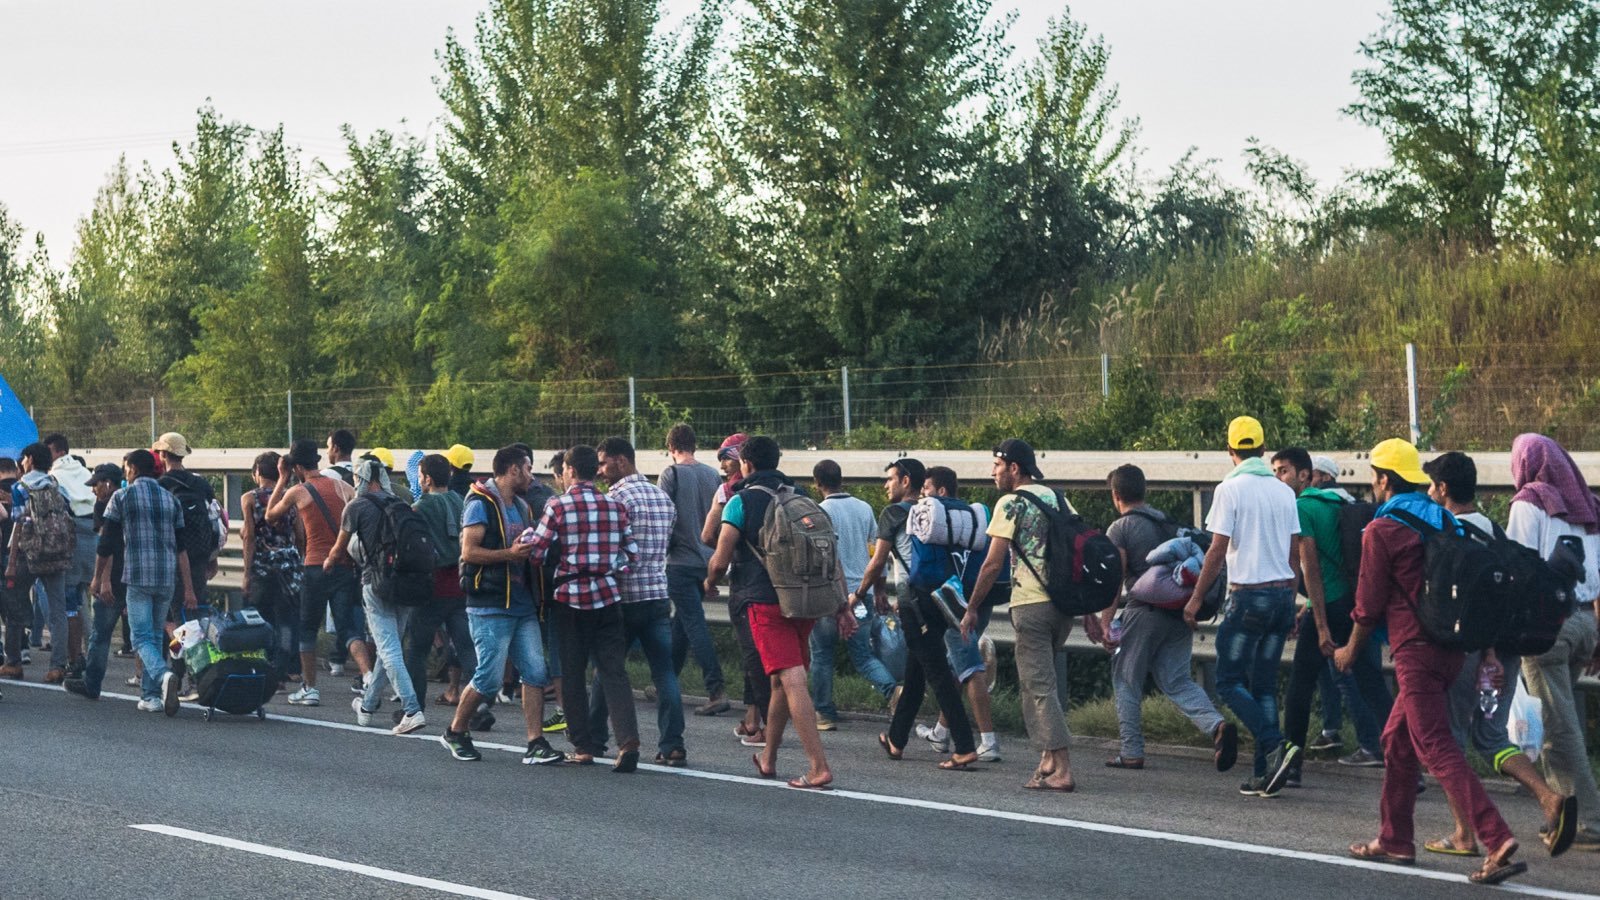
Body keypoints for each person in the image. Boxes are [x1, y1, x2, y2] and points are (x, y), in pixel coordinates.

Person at [1337, 438, 1526, 886]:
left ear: (1384, 480)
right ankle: (1395, 839)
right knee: (1397, 739)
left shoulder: (1382, 530)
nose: (1373, 488)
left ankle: (1495, 837)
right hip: (1452, 649)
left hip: (1415, 652)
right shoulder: (1444, 520)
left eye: (1374, 480)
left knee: (1435, 745)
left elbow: (1367, 605)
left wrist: (1349, 649)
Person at [1423, 450, 1578, 858]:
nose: (1428, 491)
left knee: (1452, 739)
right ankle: (1549, 798)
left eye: (1431, 485)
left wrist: (1485, 652)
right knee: (1490, 736)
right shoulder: (1493, 531)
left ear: (1442, 489)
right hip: (1506, 650)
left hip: (1475, 653)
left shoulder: (1452, 533)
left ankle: (1463, 834)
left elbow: (1476, 605)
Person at [706, 435, 853, 789]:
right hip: (805, 601)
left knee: (791, 677)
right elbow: (829, 554)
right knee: (778, 681)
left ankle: (818, 766)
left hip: (762, 600)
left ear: (747, 464)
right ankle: (768, 757)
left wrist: (711, 580)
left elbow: (720, 557)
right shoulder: (801, 498)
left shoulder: (739, 501)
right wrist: (842, 605)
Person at [966, 439, 1100, 792]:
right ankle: (1047, 761)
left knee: (1039, 688)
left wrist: (971, 607)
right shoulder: (1058, 497)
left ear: (1014, 468)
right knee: (1040, 686)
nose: (992, 472)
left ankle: (1063, 769)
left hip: (1031, 605)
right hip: (1062, 605)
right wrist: (1088, 609)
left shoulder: (1010, 503)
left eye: (996, 465)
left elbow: (993, 563)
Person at [1184, 417, 1301, 797]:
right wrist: (1293, 601)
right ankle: (1266, 774)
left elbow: (1217, 549)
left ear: (1230, 451)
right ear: (1264, 451)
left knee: (1229, 682)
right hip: (1282, 596)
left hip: (1249, 597)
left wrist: (1197, 598)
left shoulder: (1229, 488)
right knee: (1264, 686)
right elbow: (1294, 551)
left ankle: (1272, 743)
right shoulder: (1284, 491)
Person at [1099, 463, 1236, 773]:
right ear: (1144, 491)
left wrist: (1107, 620)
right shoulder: (1167, 523)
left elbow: (1116, 578)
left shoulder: (1120, 528)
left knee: (1125, 677)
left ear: (1115, 494)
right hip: (1179, 611)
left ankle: (1131, 751)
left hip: (1144, 612)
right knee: (1176, 680)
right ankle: (1216, 727)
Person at [1274, 447, 1393, 788]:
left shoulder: (1302, 507)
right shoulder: (1340, 504)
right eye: (1277, 471)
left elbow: (1310, 566)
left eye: (1285, 471)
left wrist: (1321, 623)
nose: (1280, 478)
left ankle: (1292, 764)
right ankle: (1403, 764)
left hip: (1328, 607)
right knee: (1372, 684)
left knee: (1300, 684)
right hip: (1355, 605)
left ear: (1305, 476)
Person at [1505, 433, 1600, 850]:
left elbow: (1517, 566)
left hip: (1547, 628)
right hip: (1584, 625)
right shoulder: (1587, 506)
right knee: (1555, 721)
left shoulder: (1530, 500)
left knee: (1559, 729)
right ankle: (1558, 812)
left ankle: (1590, 822)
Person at [521, 445, 641, 770]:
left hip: (569, 599)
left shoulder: (557, 506)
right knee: (613, 671)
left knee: (572, 673)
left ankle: (584, 747)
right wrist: (606, 567)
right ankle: (628, 742)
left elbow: (537, 553)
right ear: (595, 471)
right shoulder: (615, 505)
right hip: (607, 596)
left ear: (570, 471)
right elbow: (631, 555)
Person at [439, 446, 560, 765]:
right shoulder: (479, 502)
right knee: (489, 679)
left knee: (535, 672)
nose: (532, 477)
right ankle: (456, 732)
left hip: (522, 605)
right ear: (513, 470)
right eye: (529, 469)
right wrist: (511, 554)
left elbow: (523, 549)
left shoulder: (521, 506)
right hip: (489, 605)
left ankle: (536, 742)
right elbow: (468, 553)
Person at [856, 457, 978, 770]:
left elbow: (878, 562)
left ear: (906, 481)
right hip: (940, 599)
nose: (886, 485)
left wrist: (858, 594)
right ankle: (896, 740)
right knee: (915, 674)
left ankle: (964, 746)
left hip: (914, 604)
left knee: (936, 674)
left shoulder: (894, 513)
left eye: (891, 479)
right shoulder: (933, 511)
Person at [590, 437, 687, 766]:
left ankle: (595, 736)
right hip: (658, 595)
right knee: (664, 673)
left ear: (620, 460)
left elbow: (609, 549)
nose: (600, 470)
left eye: (603, 463)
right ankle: (672, 744)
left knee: (608, 668)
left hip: (624, 597)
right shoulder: (663, 498)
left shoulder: (615, 499)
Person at [266, 438, 371, 706]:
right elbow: (359, 502)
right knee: (348, 628)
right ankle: (368, 677)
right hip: (344, 565)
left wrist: (281, 479)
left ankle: (310, 688)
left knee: (308, 629)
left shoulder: (298, 491)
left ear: (297, 466)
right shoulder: (341, 485)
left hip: (314, 566)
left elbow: (270, 516)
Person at [327, 456, 426, 735]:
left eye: (358, 479)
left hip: (376, 584)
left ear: (366, 480)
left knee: (389, 650)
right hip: (407, 584)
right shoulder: (402, 504)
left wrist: (328, 563)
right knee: (388, 649)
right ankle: (368, 706)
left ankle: (412, 709)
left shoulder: (356, 506)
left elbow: (338, 549)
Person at [913, 465, 1002, 761]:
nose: (923, 494)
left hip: (952, 602)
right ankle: (941, 732)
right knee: (957, 665)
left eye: (927, 488)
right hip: (980, 597)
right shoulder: (975, 517)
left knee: (970, 667)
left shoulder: (934, 516)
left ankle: (988, 741)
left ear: (941, 490)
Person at [98, 449, 196, 715]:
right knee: (154, 636)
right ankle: (151, 696)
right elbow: (182, 549)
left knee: (140, 638)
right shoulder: (170, 499)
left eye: (126, 468)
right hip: (166, 577)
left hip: (138, 576)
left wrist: (99, 578)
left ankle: (163, 676)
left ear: (132, 469)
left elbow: (106, 543)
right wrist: (188, 587)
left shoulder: (122, 496)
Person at [809, 459, 897, 729]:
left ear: (817, 484)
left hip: (831, 595)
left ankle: (824, 713)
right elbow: (876, 554)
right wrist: (880, 590)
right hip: (861, 594)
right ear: (841, 479)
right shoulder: (864, 508)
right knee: (862, 654)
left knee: (822, 654)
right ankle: (893, 691)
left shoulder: (819, 512)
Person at [658, 423, 728, 716]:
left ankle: (716, 689)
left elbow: (663, 515)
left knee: (694, 623)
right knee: (682, 623)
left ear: (671, 448)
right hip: (708, 560)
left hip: (681, 562)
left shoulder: (670, 474)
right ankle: (665, 681)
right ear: (694, 446)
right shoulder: (712, 475)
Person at [703, 433, 767, 746]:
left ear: (740, 459)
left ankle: (759, 721)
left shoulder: (729, 492)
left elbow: (706, 535)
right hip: (782, 582)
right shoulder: (786, 488)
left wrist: (729, 551)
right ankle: (756, 717)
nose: (723, 465)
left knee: (751, 654)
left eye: (725, 458)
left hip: (746, 582)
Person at [403, 453, 474, 720]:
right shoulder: (461, 500)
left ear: (427, 479)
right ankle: (478, 706)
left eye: (420, 475)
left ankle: (414, 708)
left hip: (431, 587)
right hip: (460, 584)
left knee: (417, 650)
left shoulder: (420, 507)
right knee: (466, 647)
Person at [5, 442, 74, 683]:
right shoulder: (56, 484)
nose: (22, 463)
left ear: (31, 459)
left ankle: (13, 662)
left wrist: (11, 562)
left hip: (28, 553)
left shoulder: (20, 487)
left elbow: (17, 523)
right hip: (55, 553)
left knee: (14, 605)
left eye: (24, 459)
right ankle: (57, 666)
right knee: (58, 610)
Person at [240, 452, 303, 685]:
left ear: (257, 472)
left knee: (261, 618)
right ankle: (291, 668)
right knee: (287, 619)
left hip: (262, 567)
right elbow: (300, 533)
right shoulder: (291, 496)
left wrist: (247, 574)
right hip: (289, 564)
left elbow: (248, 537)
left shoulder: (249, 498)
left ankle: (265, 667)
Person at [66, 464, 126, 700]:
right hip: (137, 575)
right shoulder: (131, 498)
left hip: (113, 577)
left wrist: (102, 580)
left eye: (96, 485)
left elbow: (106, 545)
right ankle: (156, 682)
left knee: (101, 635)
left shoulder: (105, 505)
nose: (93, 492)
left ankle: (91, 683)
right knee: (145, 634)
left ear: (108, 483)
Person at [43, 433, 96, 676]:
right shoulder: (85, 472)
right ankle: (92, 652)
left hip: (71, 538)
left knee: (69, 602)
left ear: (56, 452)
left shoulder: (54, 476)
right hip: (94, 537)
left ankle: (74, 658)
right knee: (83, 597)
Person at [0, 458, 25, 681]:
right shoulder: (22, 489)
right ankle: (21, 649)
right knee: (15, 605)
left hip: (4, 553)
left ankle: (10, 656)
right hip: (23, 555)